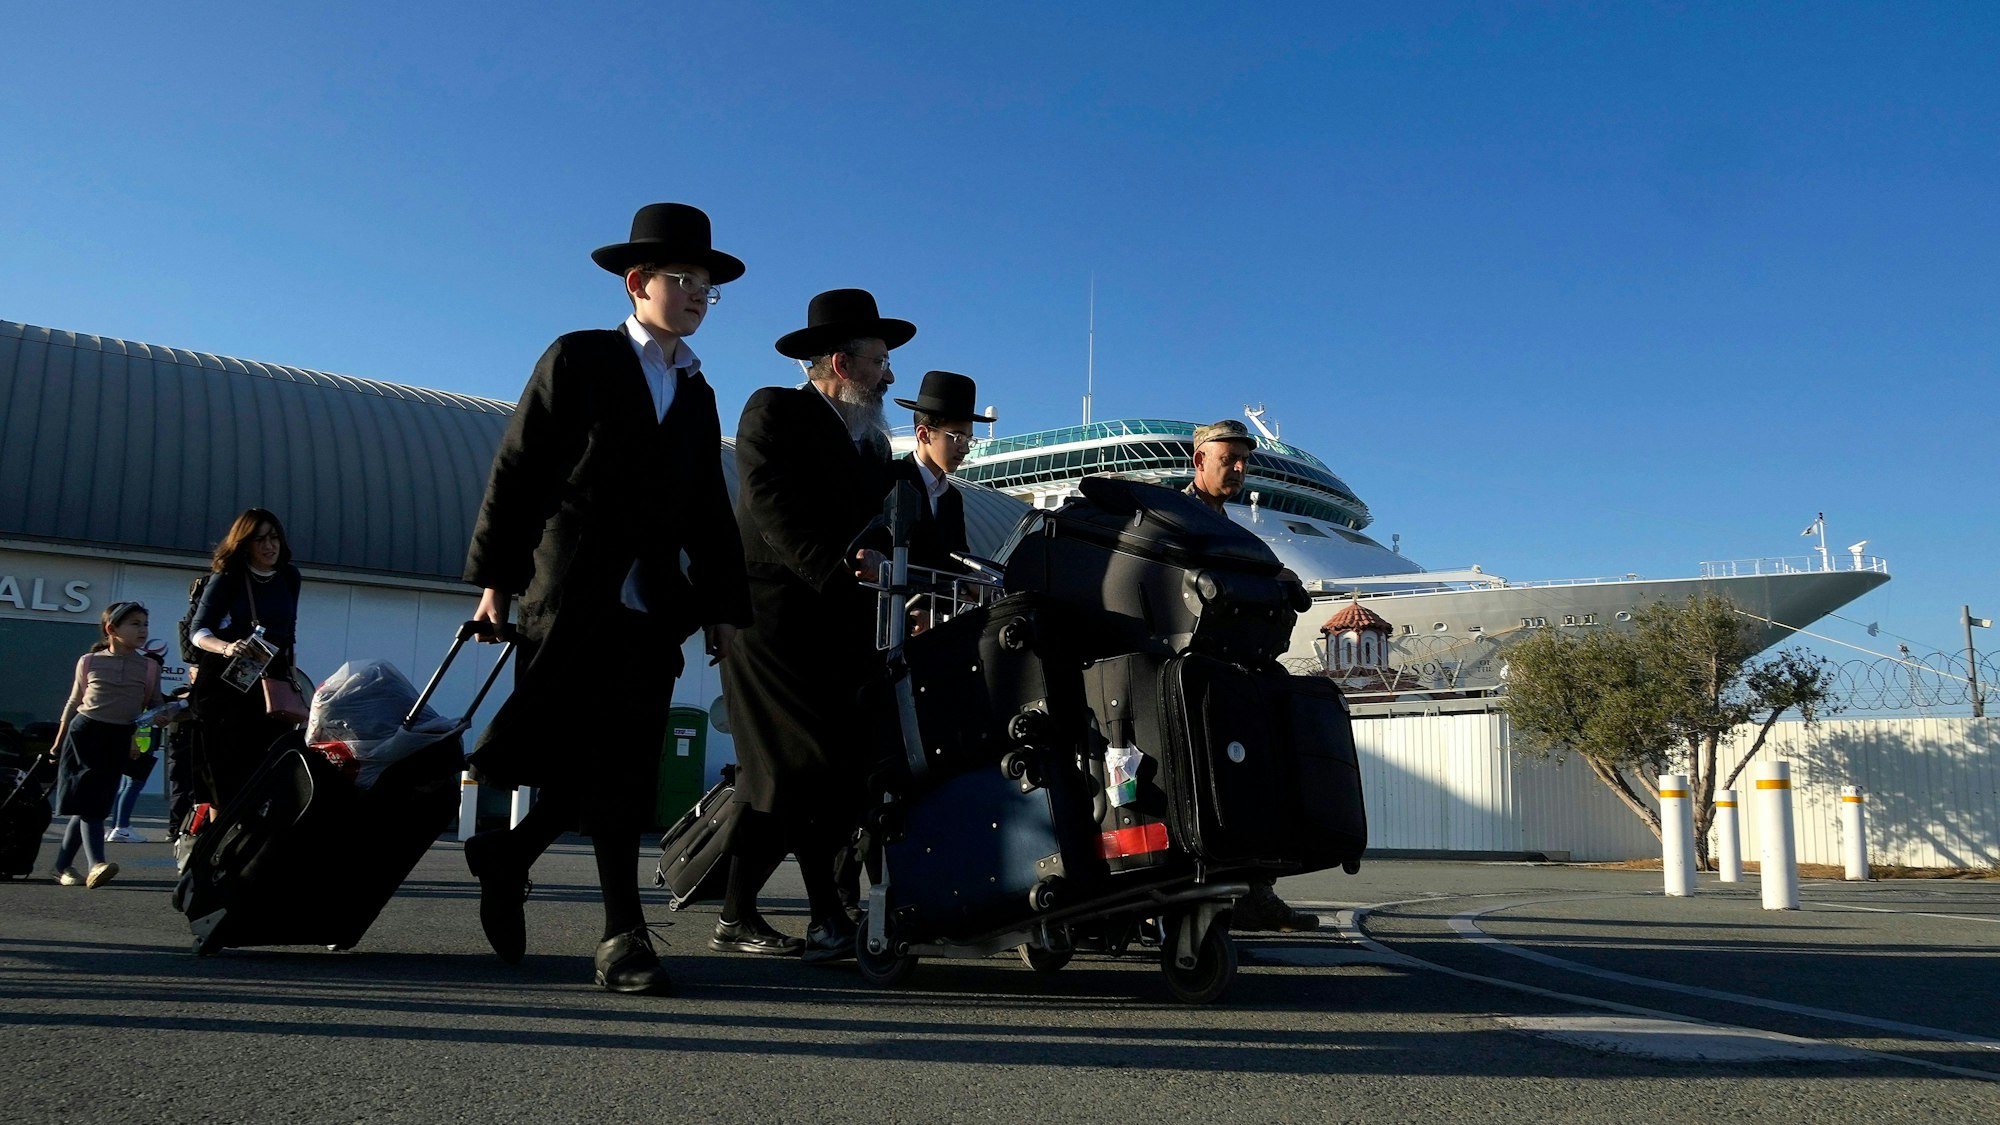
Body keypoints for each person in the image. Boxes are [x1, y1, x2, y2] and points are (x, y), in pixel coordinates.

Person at [461, 202, 752, 995]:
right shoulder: (579, 358)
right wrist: (495, 581)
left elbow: (707, 511)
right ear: (637, 282)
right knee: (587, 757)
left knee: (621, 761)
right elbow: (518, 470)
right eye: (684, 280)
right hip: (572, 589)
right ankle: (616, 932)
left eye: (708, 286)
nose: (698, 295)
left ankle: (531, 871)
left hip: (652, 603)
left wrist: (724, 604)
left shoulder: (697, 392)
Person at [713, 288, 912, 964]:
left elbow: (873, 524)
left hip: (834, 625)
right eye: (880, 360)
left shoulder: (871, 443)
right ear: (840, 361)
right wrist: (834, 568)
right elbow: (769, 504)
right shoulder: (775, 409)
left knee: (802, 771)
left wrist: (882, 558)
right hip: (767, 620)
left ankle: (740, 912)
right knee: (805, 761)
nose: (890, 375)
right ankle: (827, 914)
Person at [1182, 419, 1322, 933]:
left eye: (1244, 461)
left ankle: (1254, 889)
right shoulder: (1175, 518)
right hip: (1194, 669)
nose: (1240, 470)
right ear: (1199, 462)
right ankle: (1210, 889)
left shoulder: (1233, 530)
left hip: (1235, 665)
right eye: (1228, 460)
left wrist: (1275, 576)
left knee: (1262, 765)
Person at [187, 508, 304, 809]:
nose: (270, 546)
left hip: (269, 681)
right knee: (225, 779)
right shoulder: (228, 577)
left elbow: (288, 633)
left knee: (267, 771)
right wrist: (226, 647)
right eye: (260, 539)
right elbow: (198, 631)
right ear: (245, 544)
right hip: (226, 683)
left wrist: (291, 679)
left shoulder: (289, 577)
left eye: (274, 537)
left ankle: (256, 844)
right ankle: (216, 846)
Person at [48, 601, 163, 887]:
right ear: (111, 629)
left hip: (119, 737)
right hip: (85, 733)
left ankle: (61, 865)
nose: (143, 630)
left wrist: (164, 717)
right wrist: (58, 741)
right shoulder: (89, 661)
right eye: (134, 624)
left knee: (94, 802)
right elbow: (74, 702)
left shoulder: (149, 667)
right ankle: (96, 864)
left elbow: (154, 705)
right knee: (92, 804)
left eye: (145, 624)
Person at [887, 370, 993, 573]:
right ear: (924, 434)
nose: (965, 448)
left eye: (969, 439)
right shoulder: (890, 478)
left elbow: (959, 558)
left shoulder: (952, 497)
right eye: (957, 437)